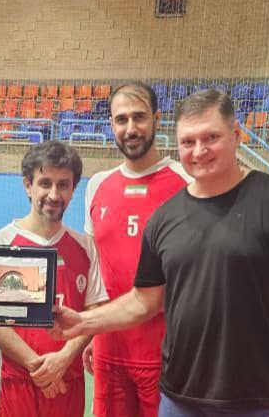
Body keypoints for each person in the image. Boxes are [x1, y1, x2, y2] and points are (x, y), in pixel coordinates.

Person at [53, 89, 269, 417]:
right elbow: (143, 301)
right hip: (179, 400)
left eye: (211, 137)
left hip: (259, 401)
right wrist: (83, 322)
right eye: (188, 142)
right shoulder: (165, 217)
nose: (199, 151)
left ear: (236, 134)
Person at [83, 82, 191, 417]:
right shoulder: (97, 185)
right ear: (111, 125)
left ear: (157, 119)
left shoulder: (188, 182)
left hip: (169, 352)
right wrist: (92, 333)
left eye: (139, 117)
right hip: (109, 350)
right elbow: (95, 268)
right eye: (121, 119)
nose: (130, 128)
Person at [0, 141, 109, 417]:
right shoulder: (1, 243)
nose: (54, 194)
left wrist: (63, 359)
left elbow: (93, 312)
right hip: (15, 386)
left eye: (63, 185)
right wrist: (38, 367)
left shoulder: (85, 248)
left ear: (73, 189)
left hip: (68, 384)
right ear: (28, 185)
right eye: (45, 183)